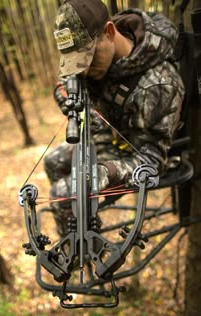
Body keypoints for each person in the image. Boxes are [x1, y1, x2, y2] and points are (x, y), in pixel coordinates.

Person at [44, 0, 185, 237]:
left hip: (130, 156)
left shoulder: (159, 84)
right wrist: (73, 104)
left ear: (109, 32)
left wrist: (106, 172)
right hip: (102, 140)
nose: (84, 71)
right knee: (53, 162)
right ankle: (79, 232)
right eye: (76, 63)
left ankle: (77, 252)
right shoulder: (91, 57)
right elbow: (64, 83)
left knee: (62, 195)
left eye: (88, 59)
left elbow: (152, 162)